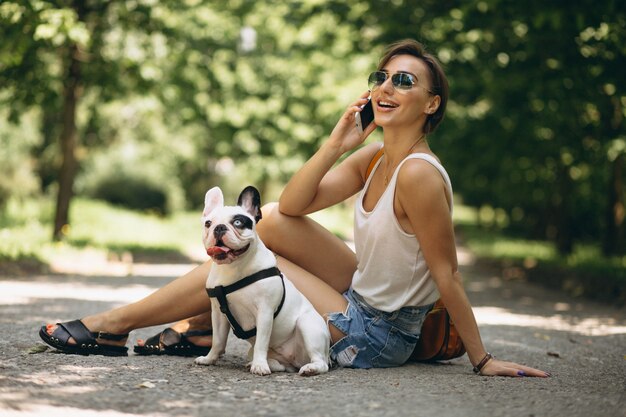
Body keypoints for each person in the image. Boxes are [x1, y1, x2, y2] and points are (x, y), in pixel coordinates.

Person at [40, 39, 549, 377]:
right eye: (382, 77)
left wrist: (483, 361)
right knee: (277, 221)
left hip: (378, 333)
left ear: (432, 104)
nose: (386, 88)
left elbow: (448, 273)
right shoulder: (376, 156)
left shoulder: (417, 172)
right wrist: (337, 143)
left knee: (260, 263)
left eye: (405, 81)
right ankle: (199, 326)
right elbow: (295, 205)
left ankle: (116, 326)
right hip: (359, 293)